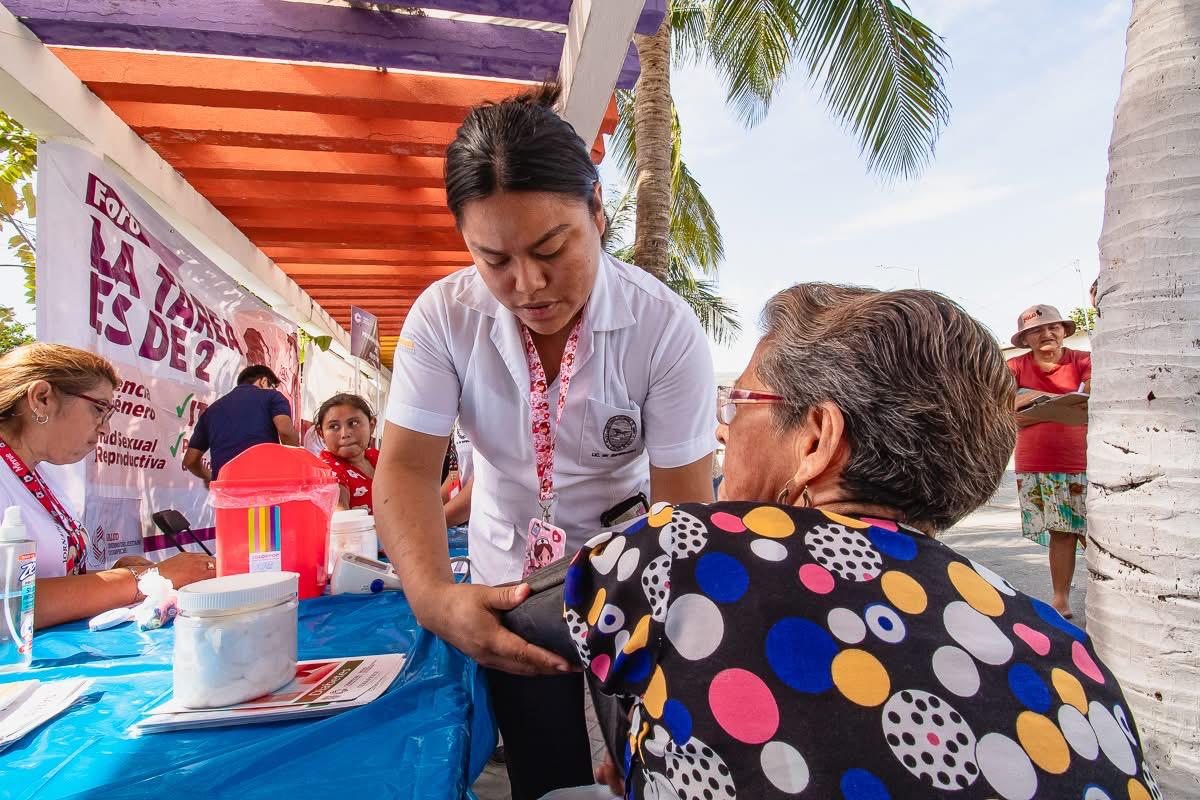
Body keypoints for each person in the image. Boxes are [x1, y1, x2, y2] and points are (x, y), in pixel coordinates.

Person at [560, 285, 1157, 799]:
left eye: (738, 402)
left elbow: (526, 614)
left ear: (817, 438)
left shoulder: (684, 550)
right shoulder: (1071, 655)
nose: (722, 426)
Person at [373, 84, 716, 800]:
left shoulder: (663, 327)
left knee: (644, 771)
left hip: (629, 580)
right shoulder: (443, 318)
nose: (527, 285)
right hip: (506, 581)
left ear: (597, 212)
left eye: (552, 248)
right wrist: (434, 597)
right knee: (541, 769)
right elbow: (405, 470)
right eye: (493, 259)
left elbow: (686, 512)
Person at [0, 344, 214, 629]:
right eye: (99, 409)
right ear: (41, 398)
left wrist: (116, 576)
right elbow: (11, 602)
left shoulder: (38, 476)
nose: (105, 429)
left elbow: (46, 580)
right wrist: (146, 579)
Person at [1008, 304, 1091, 618]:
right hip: (1038, 463)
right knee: (1061, 531)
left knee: (1094, 532)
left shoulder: (1082, 360)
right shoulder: (1014, 367)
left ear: (1064, 331)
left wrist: (1028, 409)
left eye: (1052, 327)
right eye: (1036, 330)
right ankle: (1061, 599)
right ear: (1025, 338)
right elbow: (1000, 407)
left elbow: (1094, 396)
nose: (1046, 334)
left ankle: (1110, 590)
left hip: (1084, 461)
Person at [182, 365, 300, 486]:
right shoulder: (272, 397)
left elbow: (190, 461)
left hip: (225, 492)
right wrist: (296, 465)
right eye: (273, 387)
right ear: (263, 381)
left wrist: (210, 476)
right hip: (263, 488)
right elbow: (286, 433)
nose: (274, 390)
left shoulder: (211, 411)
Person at [314, 393, 378, 512]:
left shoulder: (378, 457)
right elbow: (340, 517)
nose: (345, 434)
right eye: (333, 426)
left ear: (371, 425)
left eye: (353, 423)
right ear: (321, 433)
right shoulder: (327, 470)